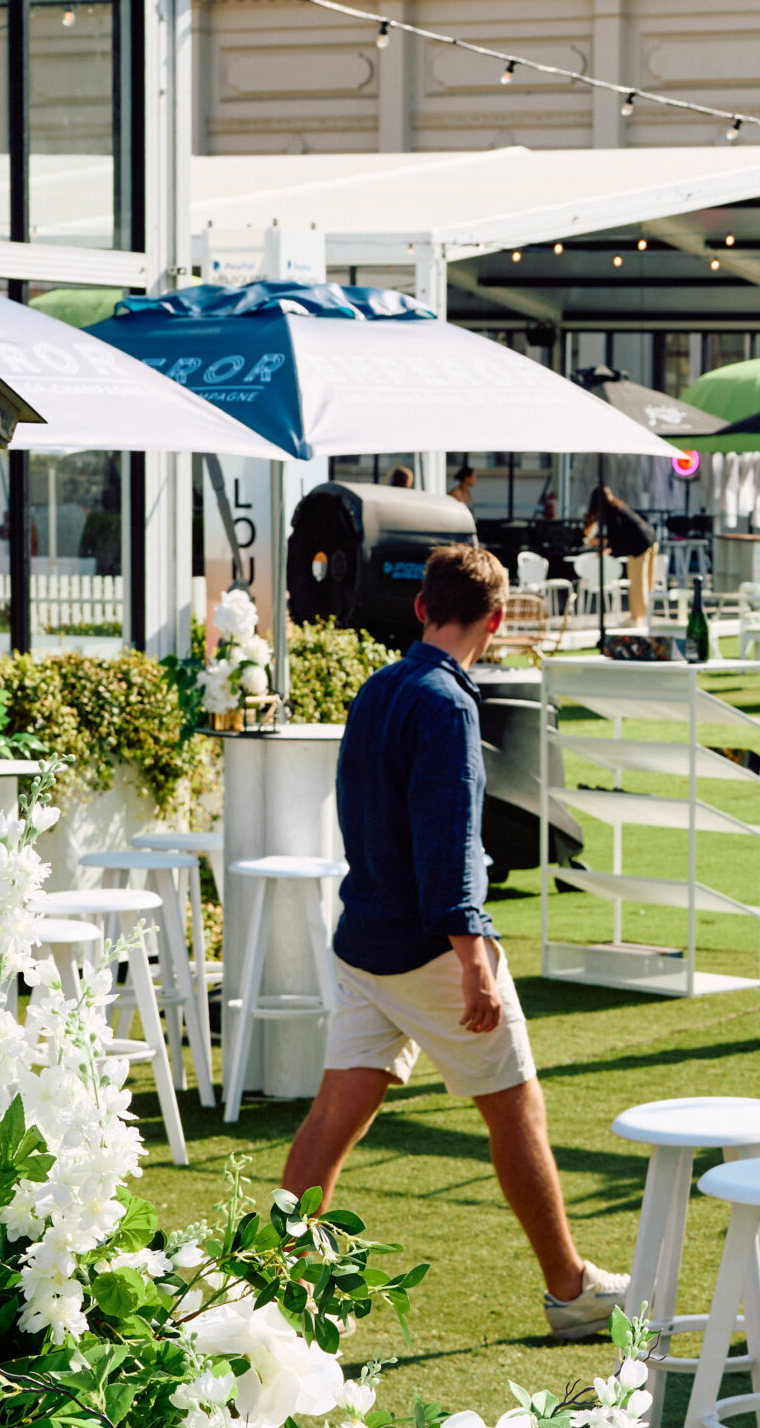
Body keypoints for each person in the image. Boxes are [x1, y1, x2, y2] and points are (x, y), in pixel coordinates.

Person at [280, 543, 630, 1340]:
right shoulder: (448, 704)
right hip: (426, 949)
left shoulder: (377, 688)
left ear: (420, 607)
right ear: (498, 620)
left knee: (333, 1116)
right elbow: (448, 843)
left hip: (363, 937)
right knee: (516, 1110)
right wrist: (473, 959)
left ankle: (265, 1283)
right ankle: (571, 1289)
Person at [582, 482, 658, 625]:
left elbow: (616, 537)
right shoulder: (619, 506)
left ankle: (637, 618)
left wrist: (605, 546)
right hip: (650, 539)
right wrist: (607, 546)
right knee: (647, 582)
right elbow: (619, 536)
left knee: (637, 582)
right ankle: (646, 616)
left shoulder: (611, 512)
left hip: (639, 545)